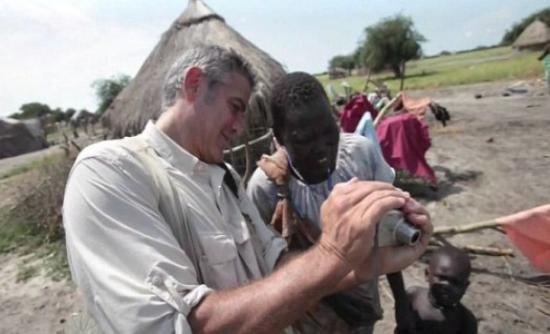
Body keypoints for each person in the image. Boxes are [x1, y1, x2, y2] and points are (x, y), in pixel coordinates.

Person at [63, 45, 432, 334]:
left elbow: (282, 269)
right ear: (194, 85)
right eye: (235, 107)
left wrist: (381, 260)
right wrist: (334, 250)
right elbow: (183, 325)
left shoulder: (223, 179)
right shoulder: (111, 171)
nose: (239, 127)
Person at [247, 72, 419, 333]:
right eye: (304, 139)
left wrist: (401, 302)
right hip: (307, 319)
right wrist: (334, 296)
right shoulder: (266, 188)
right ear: (279, 138)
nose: (322, 147)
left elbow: (389, 228)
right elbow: (270, 270)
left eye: (329, 131)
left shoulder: (361, 155)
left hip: (363, 308)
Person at [394, 246, 477, 334]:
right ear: (427, 274)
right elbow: (400, 327)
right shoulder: (413, 297)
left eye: (455, 282)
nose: (447, 286)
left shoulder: (465, 320)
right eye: (442, 278)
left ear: (465, 286)